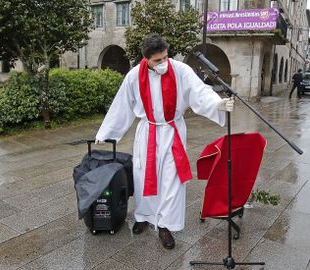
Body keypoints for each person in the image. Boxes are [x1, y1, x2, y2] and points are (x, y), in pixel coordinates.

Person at [95, 34, 234, 249]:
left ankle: (164, 225)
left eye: (165, 58)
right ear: (146, 59)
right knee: (143, 177)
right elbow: (122, 105)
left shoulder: (179, 70)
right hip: (148, 131)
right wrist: (107, 132)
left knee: (172, 179)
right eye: (158, 60)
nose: (163, 63)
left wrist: (218, 104)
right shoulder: (134, 76)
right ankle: (143, 216)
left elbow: (199, 91)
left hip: (172, 131)